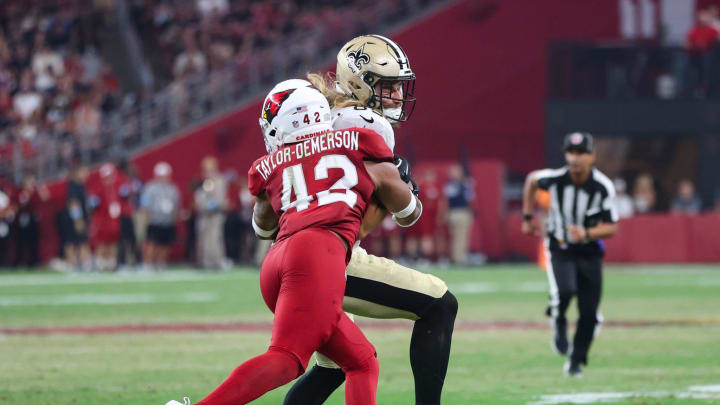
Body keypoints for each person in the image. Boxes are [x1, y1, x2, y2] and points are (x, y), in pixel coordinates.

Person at [166, 79, 422, 405]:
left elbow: (263, 226)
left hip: (277, 260)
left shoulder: (269, 166)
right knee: (286, 359)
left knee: (361, 361)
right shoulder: (360, 140)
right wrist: (399, 182)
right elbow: (409, 212)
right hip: (318, 254)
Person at [288, 35, 458, 405]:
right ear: (359, 82)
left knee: (333, 366)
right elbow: (407, 215)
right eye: (388, 86)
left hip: (290, 254)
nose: (397, 96)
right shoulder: (366, 123)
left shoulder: (321, 116)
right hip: (330, 256)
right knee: (440, 305)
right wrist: (403, 187)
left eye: (399, 87)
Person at [521, 132, 618, 377]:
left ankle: (576, 361)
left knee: (589, 314)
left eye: (581, 153)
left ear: (592, 156)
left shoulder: (603, 186)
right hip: (560, 246)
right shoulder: (555, 178)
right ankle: (559, 319)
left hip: (589, 251)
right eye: (571, 152)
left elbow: (612, 226)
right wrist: (527, 216)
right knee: (564, 291)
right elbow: (532, 180)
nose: (575, 158)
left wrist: (586, 233)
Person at [140, 162, 180, 270]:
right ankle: (148, 264)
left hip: (168, 221)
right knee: (151, 244)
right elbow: (145, 204)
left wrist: (175, 218)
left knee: (165, 244)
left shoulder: (173, 189)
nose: (163, 178)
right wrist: (146, 219)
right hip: (154, 220)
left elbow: (176, 206)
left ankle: (161, 263)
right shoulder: (150, 188)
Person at [194, 156, 228, 269]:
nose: (206, 171)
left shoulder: (219, 181)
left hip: (215, 215)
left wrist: (207, 205)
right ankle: (206, 262)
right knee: (204, 239)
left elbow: (220, 200)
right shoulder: (205, 181)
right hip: (204, 215)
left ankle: (217, 262)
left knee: (215, 238)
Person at [444, 164, 475, 266]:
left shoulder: (466, 183)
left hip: (463, 211)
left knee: (462, 236)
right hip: (454, 212)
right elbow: (446, 200)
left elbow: (471, 198)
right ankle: (458, 258)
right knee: (456, 236)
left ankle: (460, 257)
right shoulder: (450, 185)